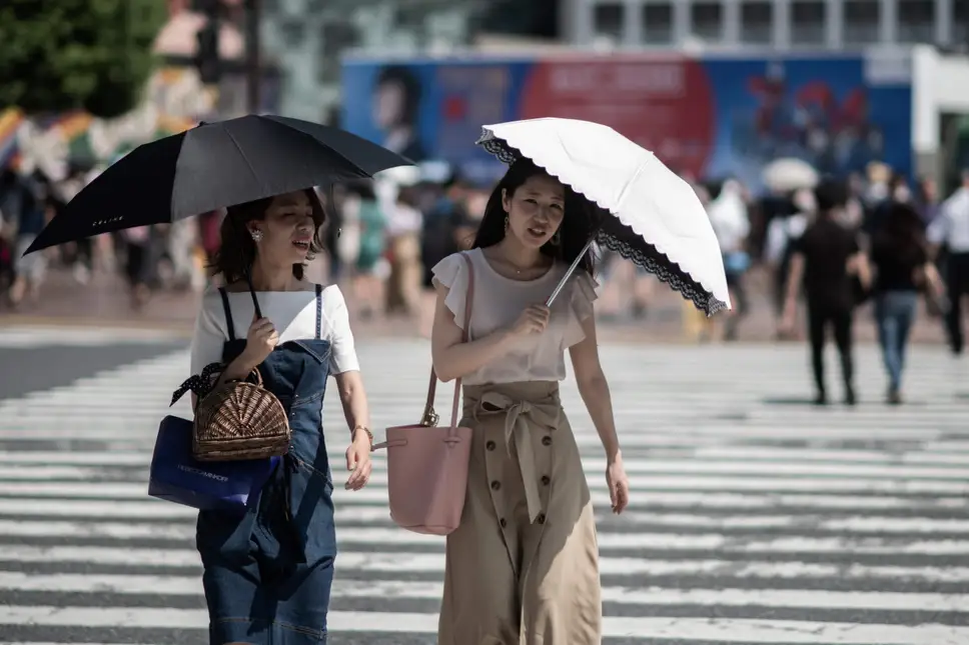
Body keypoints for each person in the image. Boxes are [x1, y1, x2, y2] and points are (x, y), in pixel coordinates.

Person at [429, 158, 630, 645]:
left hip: (552, 445)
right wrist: (510, 334)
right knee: (484, 599)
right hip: (480, 446)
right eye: (531, 203)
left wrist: (614, 455)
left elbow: (591, 375)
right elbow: (446, 365)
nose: (542, 217)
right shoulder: (463, 272)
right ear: (505, 203)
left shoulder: (572, 283)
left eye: (555, 208)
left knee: (556, 596)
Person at [189, 189, 374, 644]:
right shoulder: (220, 305)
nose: (305, 226)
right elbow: (201, 402)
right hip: (234, 487)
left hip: (305, 483)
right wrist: (246, 359)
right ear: (256, 227)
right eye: (288, 215)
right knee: (237, 624)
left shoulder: (325, 301)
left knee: (303, 621)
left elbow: (350, 381)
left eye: (309, 216)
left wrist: (362, 434)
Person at [782, 179, 870, 405]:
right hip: (843, 297)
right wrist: (864, 291)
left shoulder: (808, 233)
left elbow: (796, 269)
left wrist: (790, 302)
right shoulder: (848, 233)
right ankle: (849, 388)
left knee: (817, 346)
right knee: (845, 345)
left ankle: (821, 392)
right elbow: (862, 268)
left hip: (817, 297)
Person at [869, 202, 944, 404]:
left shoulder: (881, 242)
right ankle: (896, 379)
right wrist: (936, 290)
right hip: (909, 297)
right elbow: (926, 270)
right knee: (901, 344)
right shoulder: (915, 243)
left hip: (886, 295)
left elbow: (871, 268)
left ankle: (895, 379)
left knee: (888, 343)